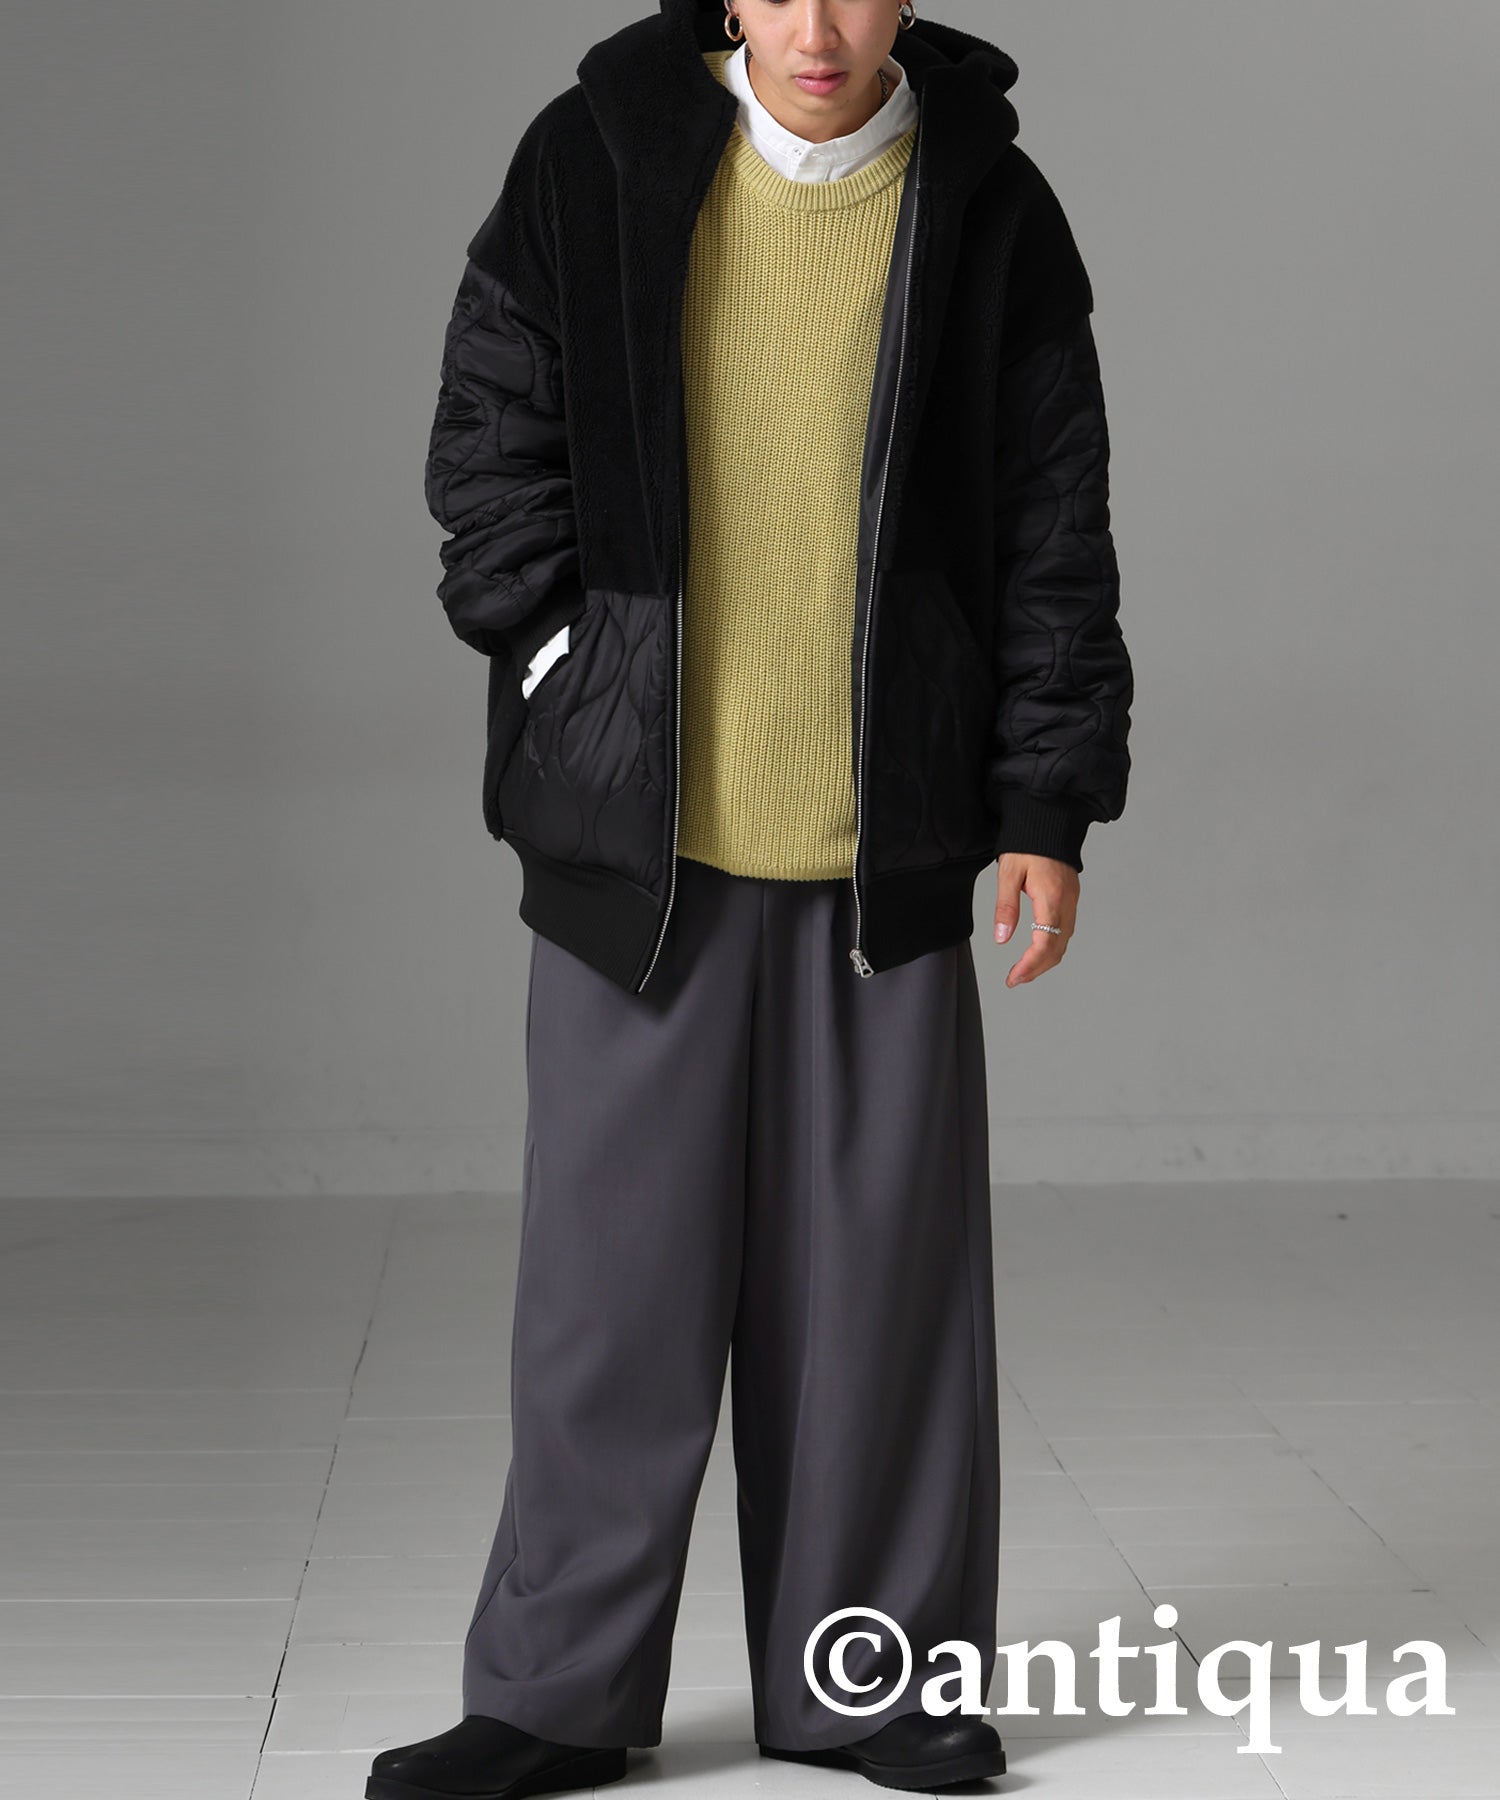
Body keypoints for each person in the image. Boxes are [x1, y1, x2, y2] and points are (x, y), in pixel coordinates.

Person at [369, 1, 1132, 1795]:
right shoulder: (594, 158)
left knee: (880, 1307)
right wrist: (566, 665)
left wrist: (1046, 799)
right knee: (605, 1300)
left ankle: (872, 1684)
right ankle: (553, 1694)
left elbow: (1054, 521)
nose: (818, 26)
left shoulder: (991, 204)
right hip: (638, 849)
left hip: (888, 840)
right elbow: (487, 439)